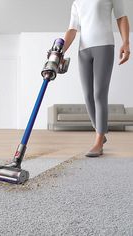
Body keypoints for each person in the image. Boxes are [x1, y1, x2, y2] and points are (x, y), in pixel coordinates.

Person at [63, 0, 130, 157]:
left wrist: (126, 42)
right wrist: (60, 51)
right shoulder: (77, 2)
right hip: (83, 50)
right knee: (88, 95)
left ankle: (98, 141)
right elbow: (72, 30)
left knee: (99, 94)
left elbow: (121, 17)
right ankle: (101, 131)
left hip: (104, 46)